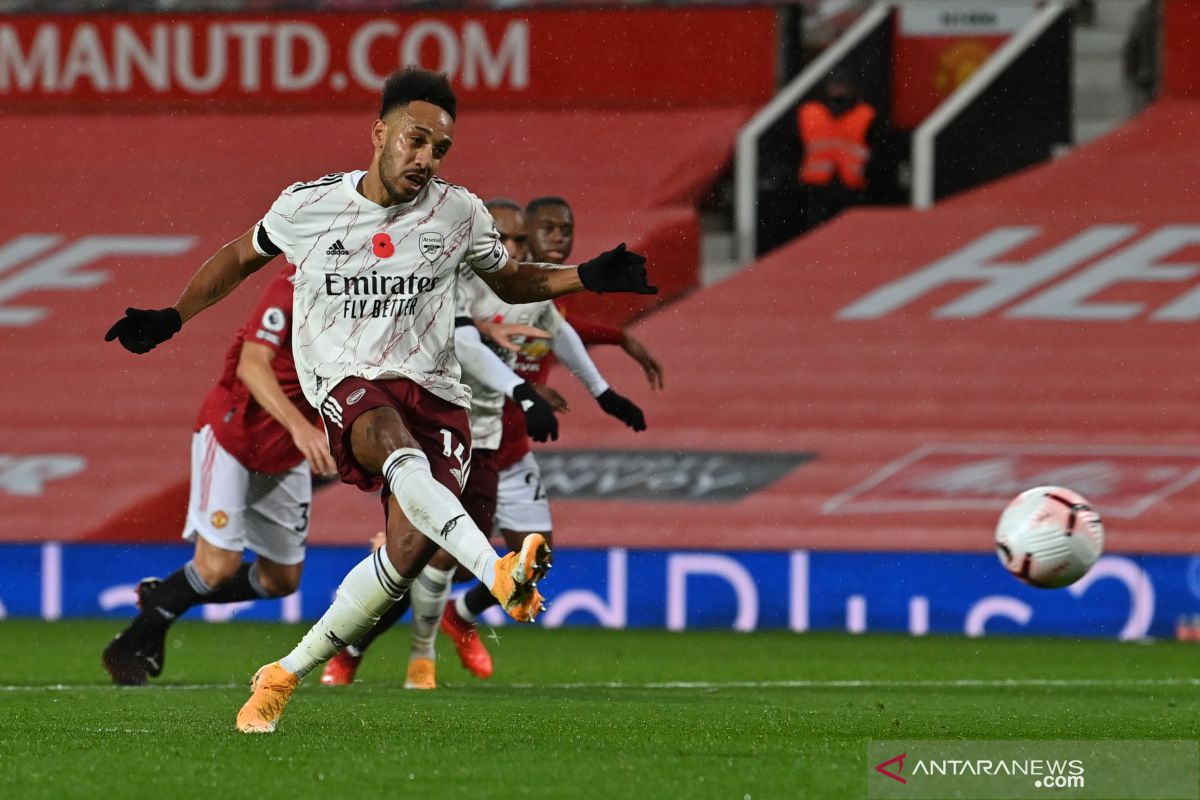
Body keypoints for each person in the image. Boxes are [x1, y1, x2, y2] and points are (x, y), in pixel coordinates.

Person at [104, 67, 655, 733]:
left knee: (404, 558)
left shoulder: (459, 213)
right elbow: (237, 256)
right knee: (388, 439)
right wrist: (172, 314)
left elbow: (510, 282)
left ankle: (283, 673)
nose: (425, 159)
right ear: (379, 133)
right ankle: (498, 570)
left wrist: (586, 276)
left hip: (438, 395)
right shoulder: (310, 206)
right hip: (350, 387)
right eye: (415, 141)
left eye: (439, 149)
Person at [320, 197, 648, 688]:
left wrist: (603, 392)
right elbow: (469, 344)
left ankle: (446, 627)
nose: (515, 246)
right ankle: (361, 648)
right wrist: (525, 391)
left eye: (521, 240)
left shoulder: (532, 287)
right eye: (510, 237)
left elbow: (559, 332)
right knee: (419, 556)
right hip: (443, 435)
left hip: (495, 441)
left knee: (505, 556)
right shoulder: (454, 281)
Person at [101, 263, 335, 686]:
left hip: (284, 453)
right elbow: (251, 365)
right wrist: (303, 427)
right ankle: (126, 647)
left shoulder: (373, 297)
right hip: (233, 434)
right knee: (217, 567)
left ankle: (165, 598)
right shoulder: (298, 282)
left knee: (280, 580)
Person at [796, 67, 877, 232]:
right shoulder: (809, 113)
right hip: (815, 192)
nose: (838, 91)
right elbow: (792, 149)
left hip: (850, 192)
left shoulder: (866, 115)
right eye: (835, 85)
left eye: (842, 86)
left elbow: (879, 154)